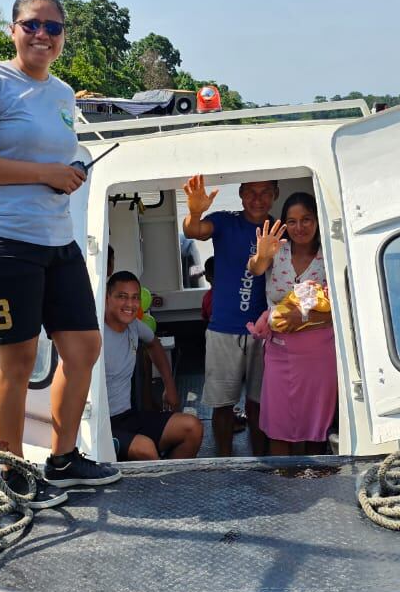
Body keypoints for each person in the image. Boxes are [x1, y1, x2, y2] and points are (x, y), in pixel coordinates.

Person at [0, 0, 119, 488]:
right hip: (3, 243)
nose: (42, 35)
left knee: (84, 347)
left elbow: (55, 155)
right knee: (18, 360)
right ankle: (13, 468)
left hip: (56, 240)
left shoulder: (64, 94)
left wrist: (69, 169)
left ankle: (64, 459)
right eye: (32, 25)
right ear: (13, 29)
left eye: (53, 28)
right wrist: (44, 173)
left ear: (64, 37)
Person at [181, 173, 278, 456]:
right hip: (223, 329)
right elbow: (193, 231)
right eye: (251, 192)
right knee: (222, 405)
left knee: (258, 404)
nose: (257, 199)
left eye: (264, 192)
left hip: (264, 332)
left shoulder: (279, 228)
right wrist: (195, 211)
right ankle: (224, 460)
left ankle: (260, 462)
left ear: (275, 193)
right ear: (240, 194)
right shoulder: (225, 221)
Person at [248, 192, 337, 455]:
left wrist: (305, 317)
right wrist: (261, 255)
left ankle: (314, 482)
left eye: (307, 219)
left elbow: (342, 309)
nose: (300, 228)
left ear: (317, 221)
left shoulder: (330, 255)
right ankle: (282, 490)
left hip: (320, 354)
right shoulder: (277, 251)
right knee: (278, 424)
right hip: (279, 351)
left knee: (316, 426)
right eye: (293, 221)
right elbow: (255, 268)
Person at [103, 271, 203, 460]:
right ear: (107, 298)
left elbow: (153, 343)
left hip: (129, 416)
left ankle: (169, 484)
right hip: (101, 426)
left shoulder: (133, 325)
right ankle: (160, 487)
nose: (130, 305)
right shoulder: (95, 335)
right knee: (146, 448)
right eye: (122, 297)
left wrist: (170, 386)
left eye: (135, 298)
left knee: (193, 428)